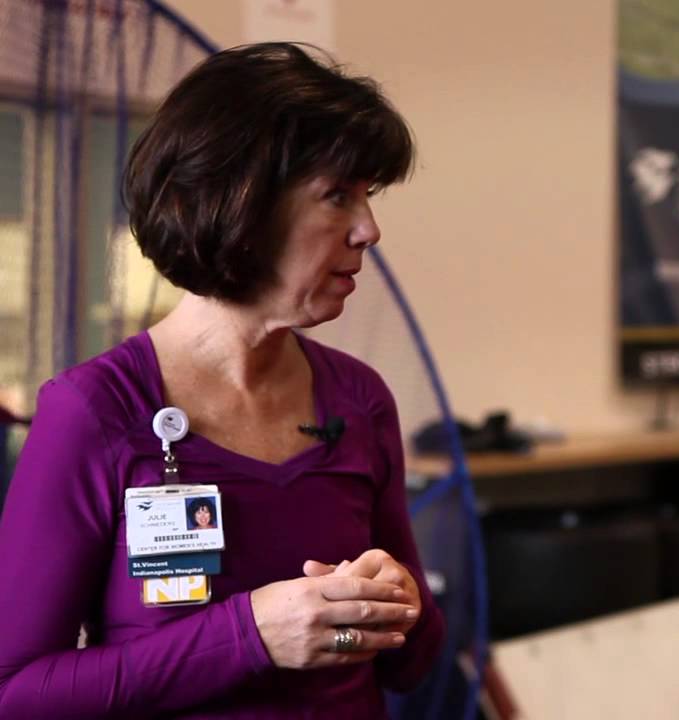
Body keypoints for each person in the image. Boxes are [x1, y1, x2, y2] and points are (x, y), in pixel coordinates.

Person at [0, 43, 444, 717]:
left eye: (368, 197)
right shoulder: (93, 411)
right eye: (338, 197)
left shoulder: (359, 400)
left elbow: (413, 666)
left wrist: (400, 600)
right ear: (238, 201)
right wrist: (250, 636)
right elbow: (16, 692)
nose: (369, 231)